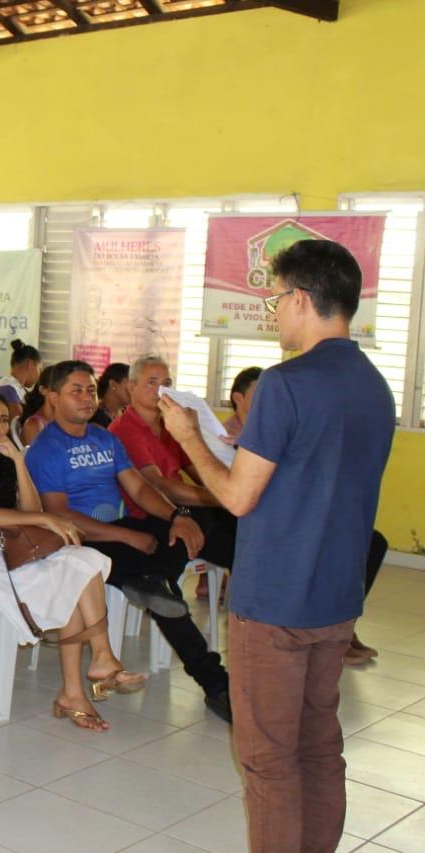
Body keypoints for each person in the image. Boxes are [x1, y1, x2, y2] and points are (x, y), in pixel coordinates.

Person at [158, 240, 395, 853]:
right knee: (319, 744)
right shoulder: (375, 384)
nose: (274, 311)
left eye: (276, 298)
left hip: (275, 600)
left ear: (301, 297)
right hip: (336, 597)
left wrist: (189, 438)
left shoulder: (286, 385)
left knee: (267, 759)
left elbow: (238, 497)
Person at [25, 360, 231, 722]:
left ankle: (156, 580)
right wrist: (127, 535)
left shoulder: (105, 438)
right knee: (162, 590)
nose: (87, 397)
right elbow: (61, 516)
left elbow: (138, 486)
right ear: (53, 397)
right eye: (76, 390)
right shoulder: (46, 449)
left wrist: (176, 517)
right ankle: (217, 685)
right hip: (81, 543)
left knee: (200, 518)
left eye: (91, 389)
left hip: (122, 531)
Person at [0, 389, 146, 731]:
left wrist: (19, 462)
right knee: (70, 583)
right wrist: (47, 520)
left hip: (16, 546)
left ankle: (101, 659)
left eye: (3, 419)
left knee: (83, 560)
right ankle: (75, 690)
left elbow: (32, 512)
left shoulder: (3, 461)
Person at [221, 363, 385, 662]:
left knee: (370, 541)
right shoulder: (228, 432)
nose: (264, 402)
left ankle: (344, 626)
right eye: (257, 395)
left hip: (278, 509)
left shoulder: (281, 416)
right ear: (238, 399)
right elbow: (238, 491)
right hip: (247, 514)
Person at [108, 356, 238, 573]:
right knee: (211, 520)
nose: (160, 390)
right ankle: (161, 585)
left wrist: (226, 488)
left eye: (166, 384)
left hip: (185, 508)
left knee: (241, 525)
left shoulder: (170, 426)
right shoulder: (124, 429)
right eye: (152, 382)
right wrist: (221, 497)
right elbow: (159, 485)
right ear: (132, 387)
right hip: (152, 512)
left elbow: (199, 470)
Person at [0, 339, 41, 420]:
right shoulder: (7, 388)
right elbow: (16, 422)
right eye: (39, 369)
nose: (39, 374)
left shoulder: (16, 388)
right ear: (30, 364)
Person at [221, 366, 263, 441]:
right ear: (238, 398)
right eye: (259, 394)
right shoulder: (225, 436)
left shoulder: (271, 429)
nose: (266, 399)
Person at [18, 366, 54, 447]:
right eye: (57, 388)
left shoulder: (60, 421)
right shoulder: (34, 425)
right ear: (43, 390)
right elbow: (39, 458)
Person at [90, 362, 131, 429]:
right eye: (130, 383)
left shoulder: (128, 414)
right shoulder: (95, 418)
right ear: (113, 384)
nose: (134, 389)